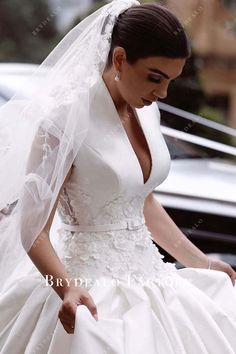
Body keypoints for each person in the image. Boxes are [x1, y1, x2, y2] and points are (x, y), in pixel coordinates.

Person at [0, 0, 236, 353]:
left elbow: (143, 202)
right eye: (154, 77)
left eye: (170, 81)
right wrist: (65, 287)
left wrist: (199, 261)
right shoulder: (64, 122)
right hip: (87, 288)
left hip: (153, 279)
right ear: (120, 59)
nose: (162, 93)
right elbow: (33, 231)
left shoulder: (147, 112)